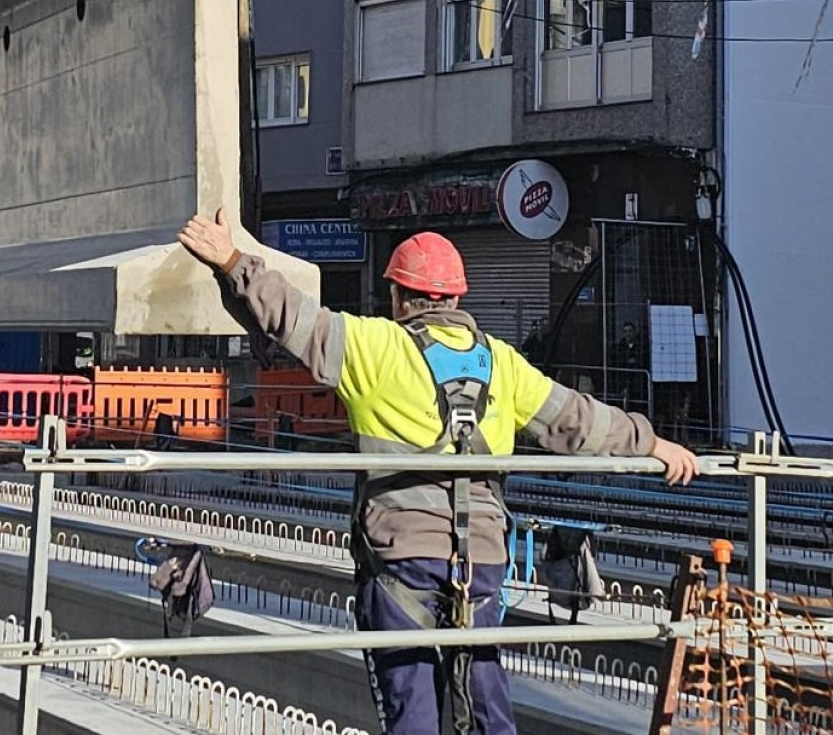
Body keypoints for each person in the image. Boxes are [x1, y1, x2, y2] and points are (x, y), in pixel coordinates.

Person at [178, 211, 699, 735]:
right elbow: (579, 421)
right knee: (485, 702)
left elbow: (291, 318)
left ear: (400, 297)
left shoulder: (374, 346)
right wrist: (653, 442)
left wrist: (230, 261)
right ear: (456, 299)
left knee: (412, 710)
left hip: (400, 560)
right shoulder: (503, 362)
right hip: (483, 563)